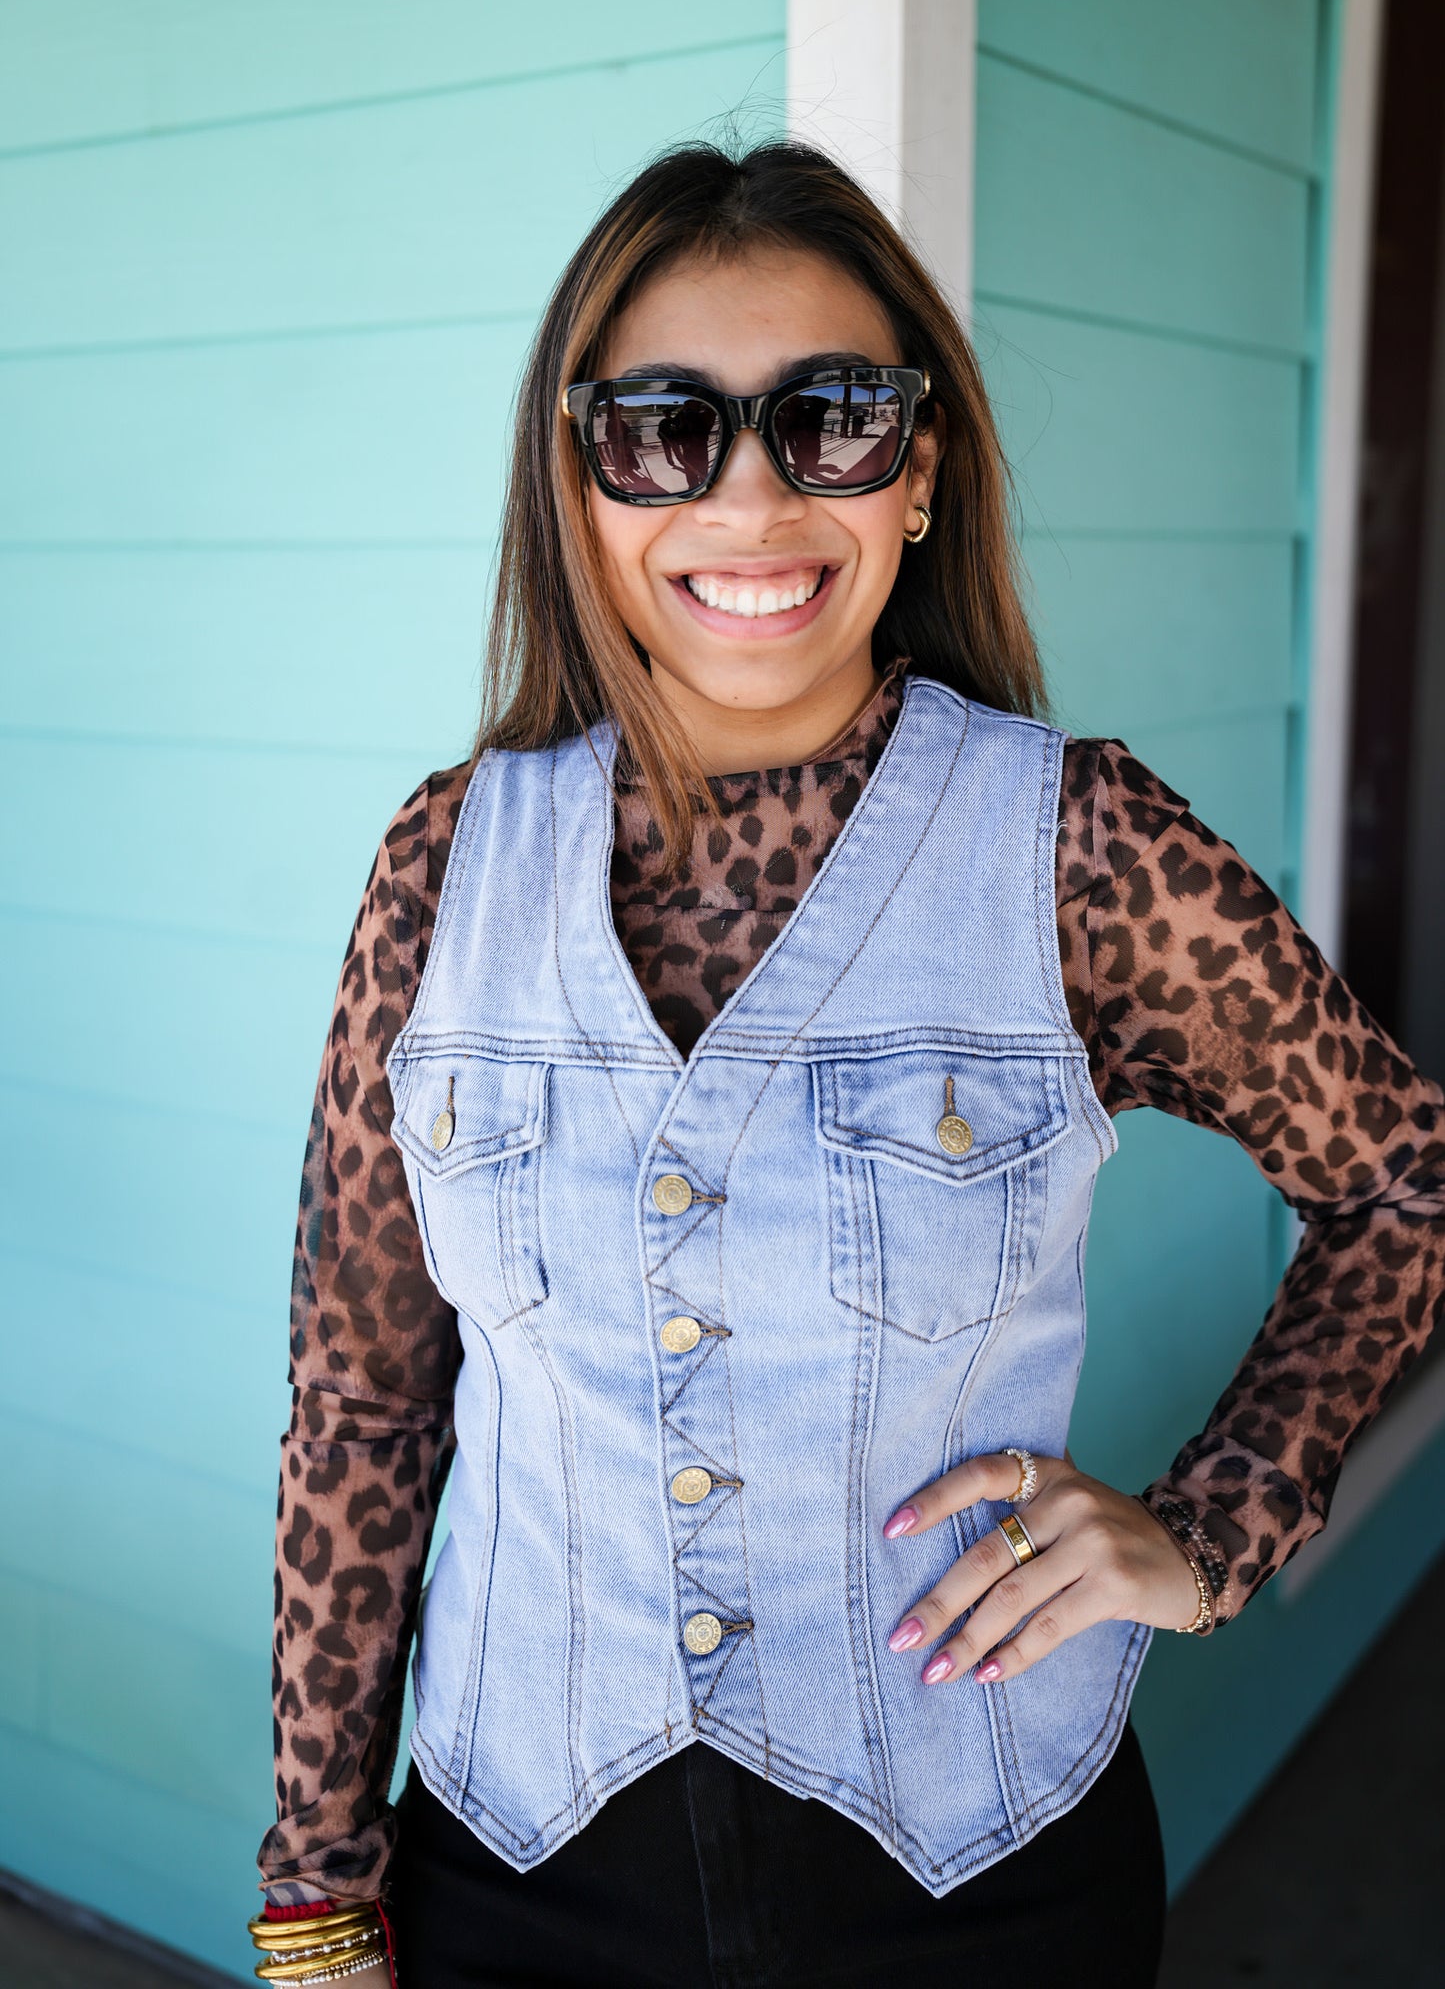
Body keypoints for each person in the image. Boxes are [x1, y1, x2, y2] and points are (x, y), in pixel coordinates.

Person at [247, 142, 1445, 1989]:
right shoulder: (439, 869)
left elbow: (1399, 1177)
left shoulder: (1075, 849)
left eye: (830, 418)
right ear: (576, 490)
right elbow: (363, 1407)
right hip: (515, 1873)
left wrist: (1214, 1530)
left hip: (977, 1878)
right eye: (660, 430)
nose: (747, 494)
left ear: (918, 472)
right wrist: (320, 1893)